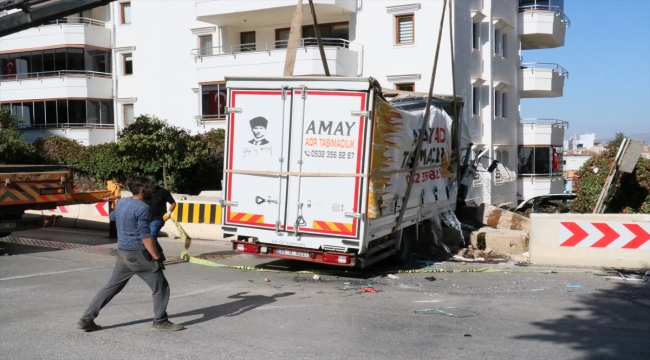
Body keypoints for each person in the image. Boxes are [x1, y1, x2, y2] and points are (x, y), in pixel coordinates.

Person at [76, 176, 184, 332]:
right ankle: (160, 321)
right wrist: (156, 257)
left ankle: (86, 319)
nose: (152, 192)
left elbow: (112, 216)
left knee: (111, 287)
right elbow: (145, 236)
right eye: (150, 189)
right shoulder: (142, 208)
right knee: (161, 287)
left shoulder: (122, 202)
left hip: (123, 253)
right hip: (139, 254)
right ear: (142, 190)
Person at [144, 179, 176, 261]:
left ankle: (159, 253)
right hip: (146, 218)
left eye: (151, 186)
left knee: (152, 235)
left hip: (158, 218)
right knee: (145, 237)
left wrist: (169, 213)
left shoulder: (163, 192)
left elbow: (173, 203)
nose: (149, 188)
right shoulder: (144, 192)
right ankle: (153, 254)